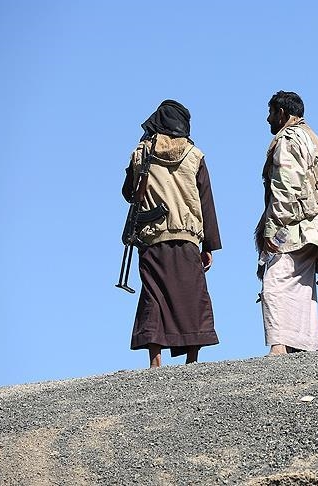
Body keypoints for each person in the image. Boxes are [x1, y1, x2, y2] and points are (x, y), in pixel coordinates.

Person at [122, 100, 221, 368]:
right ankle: (192, 359)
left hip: (153, 239)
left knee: (154, 296)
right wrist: (209, 245)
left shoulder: (142, 153)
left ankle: (155, 361)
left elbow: (128, 192)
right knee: (192, 296)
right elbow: (206, 201)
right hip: (187, 238)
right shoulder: (195, 155)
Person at [255, 91, 318, 356]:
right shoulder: (313, 139)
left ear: (282, 113)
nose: (268, 119)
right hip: (317, 229)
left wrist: (272, 229)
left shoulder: (288, 139)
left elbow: (286, 186)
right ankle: (306, 347)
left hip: (292, 227)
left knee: (274, 282)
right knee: (301, 285)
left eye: (271, 112)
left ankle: (279, 347)